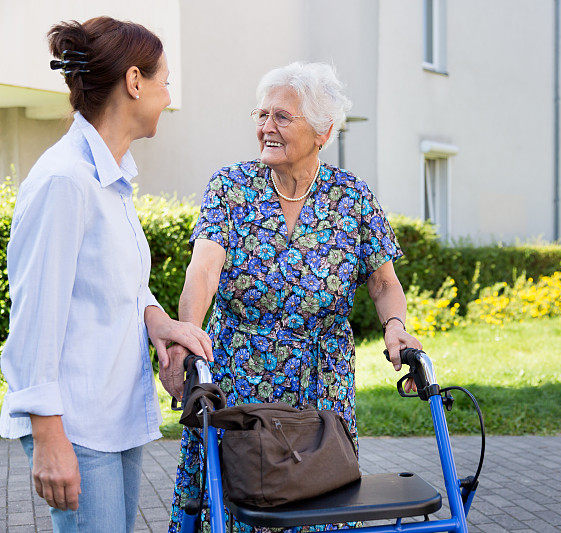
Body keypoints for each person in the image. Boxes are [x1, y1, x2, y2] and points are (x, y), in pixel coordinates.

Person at [164, 61, 422, 532]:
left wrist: (395, 327)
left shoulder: (353, 197)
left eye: (282, 116)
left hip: (321, 387)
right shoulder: (231, 186)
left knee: (320, 501)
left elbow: (382, 282)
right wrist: (187, 335)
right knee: (236, 502)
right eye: (261, 115)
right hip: (240, 381)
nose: (266, 127)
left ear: (323, 130)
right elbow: (203, 272)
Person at [0, 17, 213, 533]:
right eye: (164, 79)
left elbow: (120, 283)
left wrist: (160, 322)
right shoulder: (65, 181)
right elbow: (35, 318)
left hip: (112, 415)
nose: (167, 94)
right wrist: (48, 437)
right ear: (134, 81)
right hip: (77, 424)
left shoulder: (111, 177)